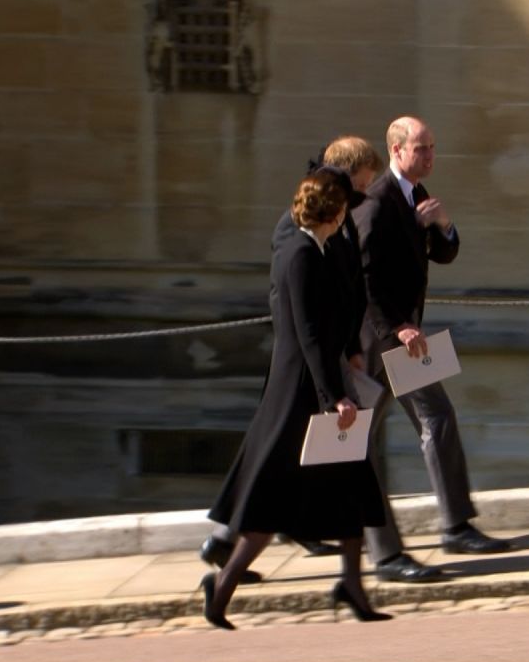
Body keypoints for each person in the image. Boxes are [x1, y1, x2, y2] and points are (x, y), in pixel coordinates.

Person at [202, 168, 390, 629]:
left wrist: (347, 359)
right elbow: (308, 335)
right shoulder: (301, 253)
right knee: (272, 496)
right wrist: (335, 398)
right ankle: (222, 588)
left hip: (323, 383)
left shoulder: (319, 248)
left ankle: (352, 584)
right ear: (336, 209)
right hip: (301, 391)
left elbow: (333, 321)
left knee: (353, 484)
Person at [353, 116, 511, 584]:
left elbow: (443, 254)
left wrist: (443, 224)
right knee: (352, 442)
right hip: (380, 340)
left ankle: (456, 525)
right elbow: (365, 277)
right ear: (397, 150)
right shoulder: (378, 202)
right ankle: (375, 551)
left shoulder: (417, 197)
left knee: (437, 417)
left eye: (432, 148)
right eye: (420, 149)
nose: (429, 156)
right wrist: (396, 327)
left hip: (408, 339)